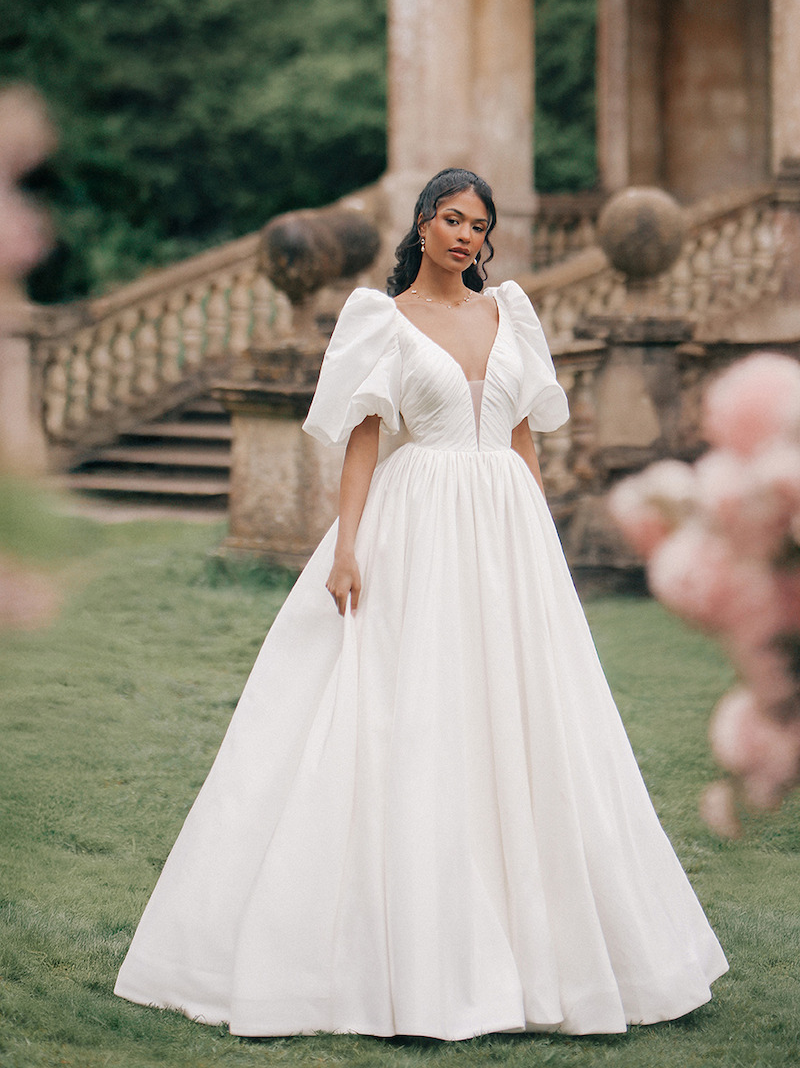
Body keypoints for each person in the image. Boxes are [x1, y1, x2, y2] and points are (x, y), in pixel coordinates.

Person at [114, 167, 727, 1040]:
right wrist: (347, 547)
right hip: (420, 523)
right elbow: (364, 443)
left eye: (479, 224)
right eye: (452, 219)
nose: (466, 236)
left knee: (529, 716)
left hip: (508, 530)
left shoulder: (510, 312)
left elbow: (523, 439)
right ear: (423, 223)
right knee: (414, 710)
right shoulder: (383, 319)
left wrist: (542, 546)